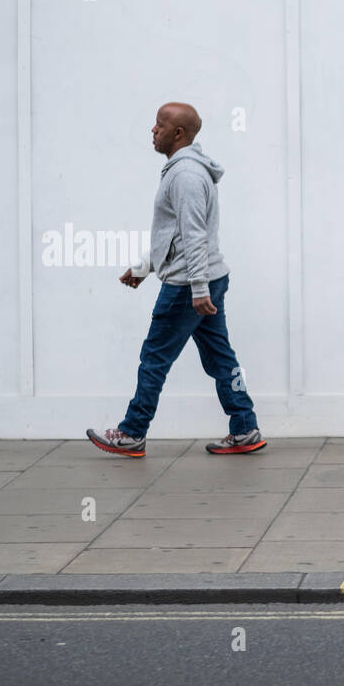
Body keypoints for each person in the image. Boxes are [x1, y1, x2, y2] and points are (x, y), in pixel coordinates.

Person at [87, 102, 266, 457]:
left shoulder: (185, 176)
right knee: (221, 358)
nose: (153, 131)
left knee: (154, 358)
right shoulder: (186, 171)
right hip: (207, 278)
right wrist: (143, 267)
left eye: (159, 125)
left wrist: (198, 289)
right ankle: (245, 427)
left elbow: (193, 235)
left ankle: (132, 432)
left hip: (188, 287)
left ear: (178, 134)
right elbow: (173, 234)